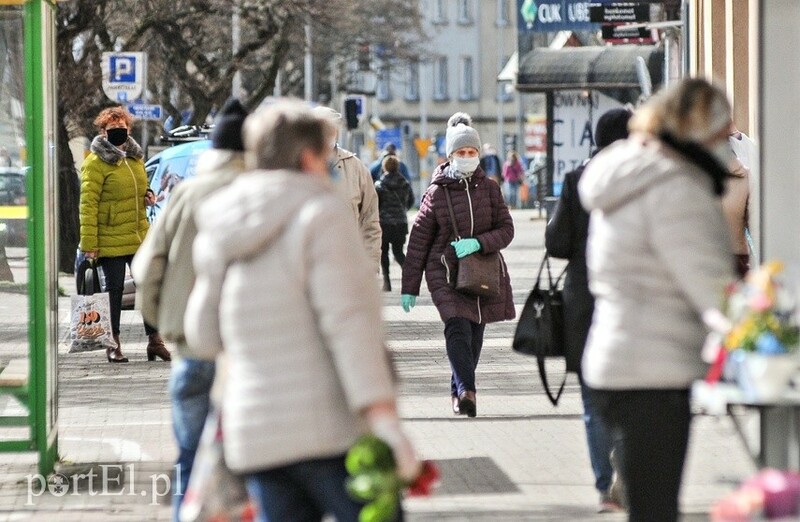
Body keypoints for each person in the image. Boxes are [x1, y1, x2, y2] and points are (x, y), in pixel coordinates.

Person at [183, 99, 421, 521]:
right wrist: (385, 422)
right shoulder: (321, 214)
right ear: (309, 157)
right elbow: (351, 326)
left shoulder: (224, 220)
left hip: (256, 437)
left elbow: (202, 334)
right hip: (329, 432)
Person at [578, 78, 736, 521]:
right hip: (653, 370)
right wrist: (755, 326)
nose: (730, 141)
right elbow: (709, 287)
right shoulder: (677, 187)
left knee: (647, 505)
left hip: (616, 360)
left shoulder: (629, 170)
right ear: (698, 128)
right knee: (656, 508)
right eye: (724, 131)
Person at [131, 98, 248, 521]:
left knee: (189, 461)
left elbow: (146, 268)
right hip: (249, 356)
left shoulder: (185, 194)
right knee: (252, 468)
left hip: (192, 351)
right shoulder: (262, 194)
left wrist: (165, 326)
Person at [545, 108, 632, 514]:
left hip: (584, 299)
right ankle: (628, 476)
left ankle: (605, 488)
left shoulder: (577, 179)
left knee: (593, 399)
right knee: (633, 394)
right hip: (630, 296)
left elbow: (557, 243)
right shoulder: (642, 179)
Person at [401, 112, 515, 418]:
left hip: (484, 271)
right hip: (445, 273)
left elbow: (507, 229)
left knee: (475, 337)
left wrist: (480, 242)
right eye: (461, 153)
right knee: (457, 329)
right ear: (450, 156)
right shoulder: (436, 193)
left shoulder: (490, 189)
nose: (467, 157)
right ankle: (468, 391)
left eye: (472, 152)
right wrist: (409, 288)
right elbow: (418, 243)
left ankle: (459, 390)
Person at [79, 106, 170, 363]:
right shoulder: (95, 163)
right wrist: (90, 244)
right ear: (103, 132)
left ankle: (155, 341)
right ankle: (114, 343)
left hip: (138, 234)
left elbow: (139, 186)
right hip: (109, 237)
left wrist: (147, 195)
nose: (119, 132)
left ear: (129, 129)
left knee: (149, 285)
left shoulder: (134, 158)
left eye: (123, 128)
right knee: (115, 290)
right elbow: (88, 205)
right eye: (113, 129)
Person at [313, 105, 382, 268]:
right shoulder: (295, 167)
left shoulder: (355, 168)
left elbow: (370, 221)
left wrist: (370, 265)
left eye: (332, 129)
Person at [375, 155, 413, 292]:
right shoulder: (405, 184)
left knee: (383, 252)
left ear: (384, 167)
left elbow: (375, 205)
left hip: (384, 224)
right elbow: (411, 201)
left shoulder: (379, 185)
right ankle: (410, 277)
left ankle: (387, 283)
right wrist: (401, 211)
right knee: (398, 252)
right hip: (401, 223)